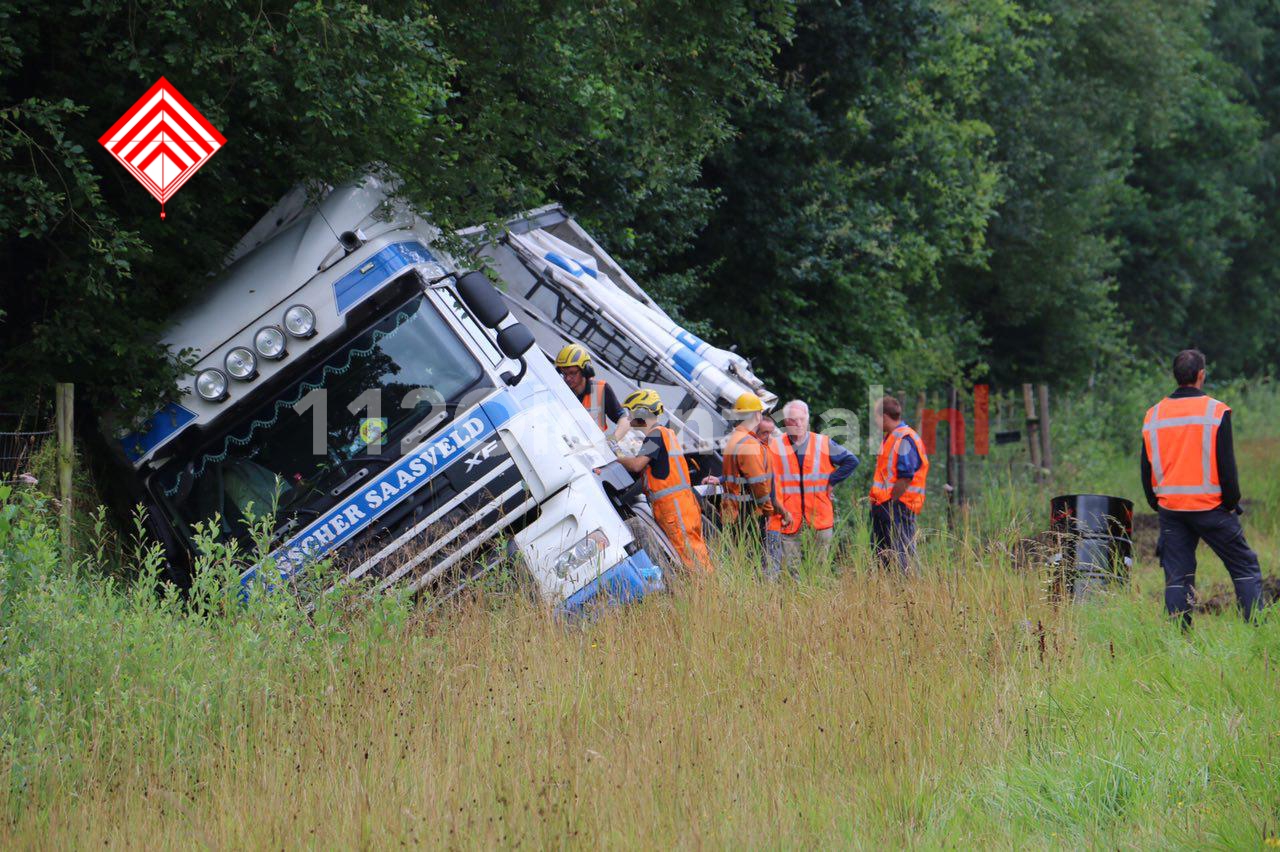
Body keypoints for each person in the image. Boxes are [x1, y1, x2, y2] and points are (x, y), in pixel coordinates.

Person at [1141, 349, 1263, 628]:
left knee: (1177, 577)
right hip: (1211, 507)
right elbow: (1226, 466)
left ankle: (1178, 639)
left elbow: (1146, 467)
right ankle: (1257, 632)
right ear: (1201, 375)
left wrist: (1158, 503)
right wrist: (1231, 502)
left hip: (1171, 510)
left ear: (1176, 376)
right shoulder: (1215, 411)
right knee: (1244, 567)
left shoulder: (1153, 415)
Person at [613, 388, 712, 572]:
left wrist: (615, 455)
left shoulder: (655, 435)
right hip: (684, 506)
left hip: (674, 511)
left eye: (631, 412)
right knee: (696, 554)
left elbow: (636, 465)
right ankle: (708, 592)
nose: (629, 417)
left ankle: (708, 593)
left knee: (691, 561)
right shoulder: (667, 434)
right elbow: (655, 476)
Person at [701, 393, 791, 575]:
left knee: (742, 561)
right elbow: (759, 485)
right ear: (757, 415)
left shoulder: (735, 439)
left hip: (734, 511)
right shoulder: (749, 443)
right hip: (747, 513)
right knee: (753, 564)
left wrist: (719, 479)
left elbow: (737, 475)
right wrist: (768, 512)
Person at [767, 399, 859, 568]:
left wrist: (832, 481)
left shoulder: (822, 442)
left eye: (802, 419)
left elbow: (851, 461)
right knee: (790, 572)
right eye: (793, 420)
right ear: (786, 422)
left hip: (819, 516)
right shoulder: (775, 446)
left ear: (808, 418)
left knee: (819, 570)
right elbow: (756, 472)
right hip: (787, 517)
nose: (799, 423)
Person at [869, 396, 929, 575]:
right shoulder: (892, 437)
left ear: (884, 416)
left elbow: (905, 477)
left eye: (876, 418)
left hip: (898, 508)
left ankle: (909, 595)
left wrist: (891, 503)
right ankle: (891, 597)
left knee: (903, 556)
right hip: (886, 507)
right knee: (885, 557)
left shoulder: (904, 439)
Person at [554, 343, 631, 440]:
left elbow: (624, 420)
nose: (568, 378)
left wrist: (613, 440)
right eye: (564, 373)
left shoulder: (600, 390)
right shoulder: (559, 388)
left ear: (585, 371)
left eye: (572, 373)